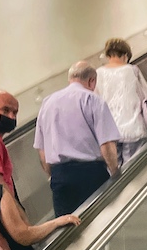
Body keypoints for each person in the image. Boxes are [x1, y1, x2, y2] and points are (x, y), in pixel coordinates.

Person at [33, 61, 120, 217]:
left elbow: (42, 151)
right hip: (92, 174)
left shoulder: (47, 103)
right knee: (99, 222)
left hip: (60, 177)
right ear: (92, 81)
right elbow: (106, 144)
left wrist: (53, 176)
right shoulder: (94, 100)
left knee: (67, 230)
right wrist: (115, 172)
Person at [95, 38, 147, 165]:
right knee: (133, 168)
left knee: (115, 172)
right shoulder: (132, 70)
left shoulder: (98, 73)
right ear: (125, 55)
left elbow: (96, 102)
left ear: (108, 55)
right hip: (133, 129)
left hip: (109, 133)